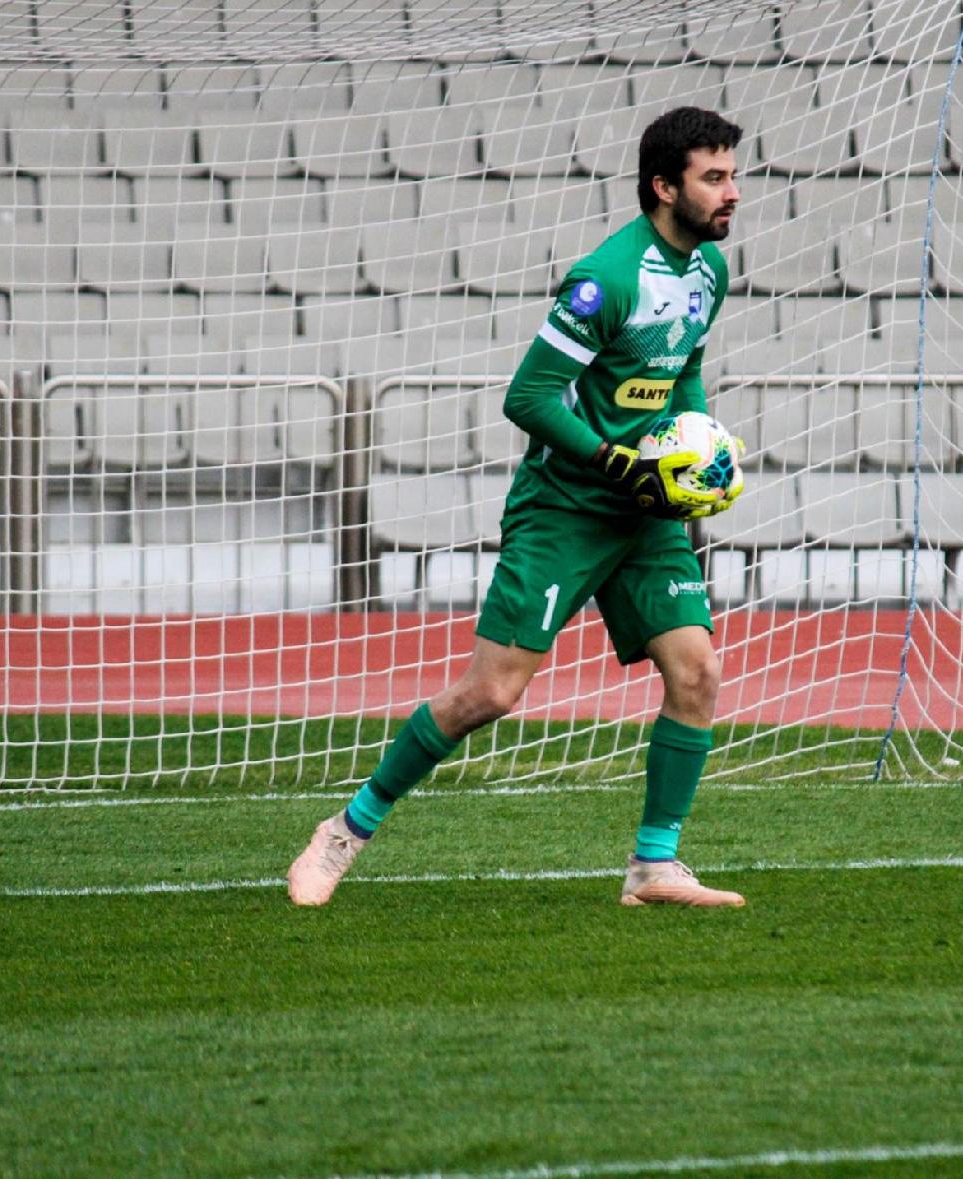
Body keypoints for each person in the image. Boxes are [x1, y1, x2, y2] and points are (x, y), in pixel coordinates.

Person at [289, 107, 747, 908]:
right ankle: (343, 831)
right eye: (714, 177)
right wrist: (612, 459)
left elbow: (683, 371)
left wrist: (696, 444)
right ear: (663, 187)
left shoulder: (709, 270)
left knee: (697, 670)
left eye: (732, 175)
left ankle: (653, 865)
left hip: (644, 510)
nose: (732, 191)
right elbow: (527, 397)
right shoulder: (607, 279)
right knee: (491, 694)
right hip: (565, 507)